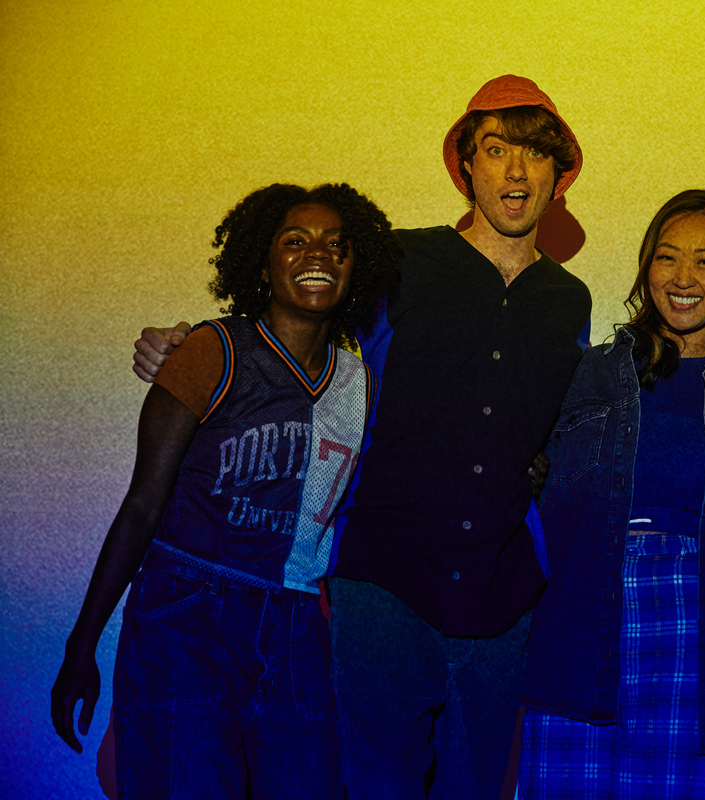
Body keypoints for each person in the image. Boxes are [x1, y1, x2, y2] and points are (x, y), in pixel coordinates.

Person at [130, 75, 591, 798]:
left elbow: (563, 427)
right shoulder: (401, 263)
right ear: (467, 164)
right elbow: (298, 328)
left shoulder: (570, 300)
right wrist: (193, 342)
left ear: (557, 176)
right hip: (384, 583)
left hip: (500, 603)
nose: (516, 170)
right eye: (497, 148)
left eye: (536, 153)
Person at [51, 183, 402, 798]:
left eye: (336, 245)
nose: (317, 255)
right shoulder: (213, 350)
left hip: (299, 625)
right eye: (294, 241)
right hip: (189, 609)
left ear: (356, 266)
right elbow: (142, 505)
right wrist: (81, 646)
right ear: (262, 264)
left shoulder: (361, 383)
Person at [519, 189, 705, 798]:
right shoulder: (588, 372)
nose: (683, 278)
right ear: (646, 265)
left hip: (702, 633)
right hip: (578, 621)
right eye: (667, 256)